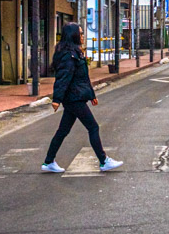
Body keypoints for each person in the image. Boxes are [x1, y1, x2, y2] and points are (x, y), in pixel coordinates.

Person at [41, 23, 123, 173]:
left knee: (63, 131)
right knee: (93, 127)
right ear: (73, 35)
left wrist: (92, 95)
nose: (82, 35)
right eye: (80, 33)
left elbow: (83, 77)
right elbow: (63, 78)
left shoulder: (75, 52)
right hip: (73, 98)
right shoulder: (68, 55)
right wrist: (56, 99)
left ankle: (48, 161)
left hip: (76, 96)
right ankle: (103, 161)